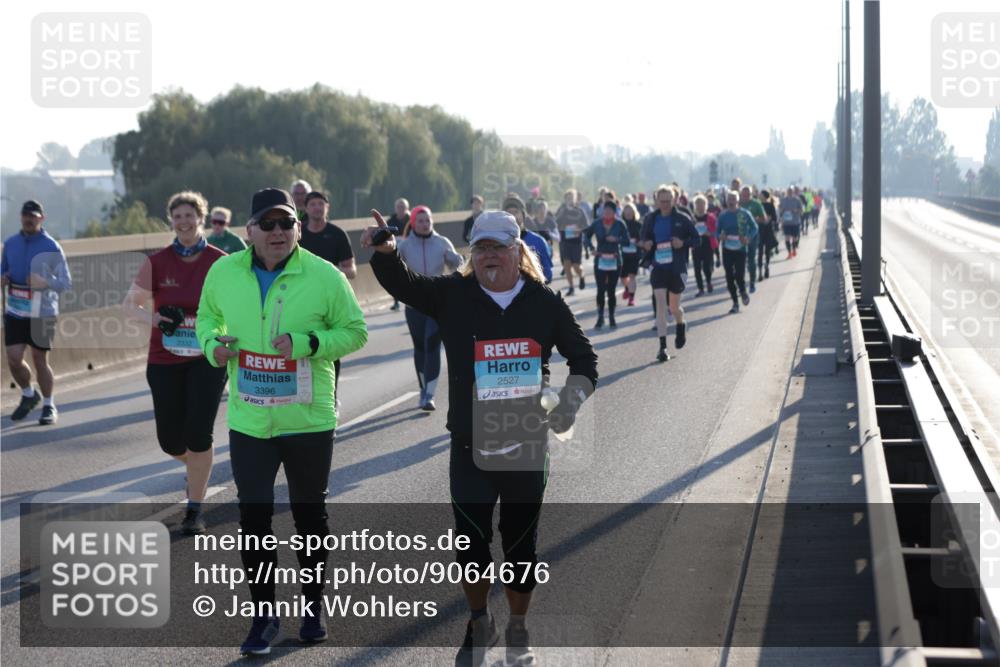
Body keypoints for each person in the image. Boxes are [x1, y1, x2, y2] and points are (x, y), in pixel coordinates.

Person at [364, 208, 597, 667]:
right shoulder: (455, 295)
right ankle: (478, 620)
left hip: (526, 447)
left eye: (498, 247)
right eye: (481, 248)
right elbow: (405, 284)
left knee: (520, 547)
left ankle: (517, 627)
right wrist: (387, 252)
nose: (489, 256)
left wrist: (567, 404)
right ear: (473, 254)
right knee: (470, 545)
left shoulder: (544, 302)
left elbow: (585, 362)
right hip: (470, 446)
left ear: (517, 251)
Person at [196, 187, 368, 654]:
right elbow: (206, 318)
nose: (277, 232)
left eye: (285, 224)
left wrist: (309, 343)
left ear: (297, 228)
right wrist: (214, 347)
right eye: (267, 224)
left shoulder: (324, 275)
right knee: (253, 519)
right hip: (250, 421)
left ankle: (312, 608)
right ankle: (264, 617)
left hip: (307, 420)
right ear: (248, 230)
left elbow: (355, 331)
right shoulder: (223, 272)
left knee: (310, 518)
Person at [123, 191, 228, 535]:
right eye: (177, 216)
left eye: (190, 215)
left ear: (201, 218)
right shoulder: (158, 261)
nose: (184, 221)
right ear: (172, 221)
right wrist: (156, 320)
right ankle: (196, 467)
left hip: (206, 358)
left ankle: (194, 508)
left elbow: (236, 305)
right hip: (164, 358)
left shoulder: (219, 261)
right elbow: (130, 305)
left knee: (199, 434)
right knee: (171, 440)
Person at [2, 199, 72, 424]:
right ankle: (29, 394)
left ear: (41, 218)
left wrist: (45, 281)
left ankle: (49, 405)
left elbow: (65, 282)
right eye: (26, 215)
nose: (29, 219)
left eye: (33, 216)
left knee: (40, 359)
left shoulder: (51, 246)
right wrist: (2, 278)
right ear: (21, 217)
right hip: (15, 309)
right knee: (13, 358)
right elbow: (3, 271)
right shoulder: (10, 243)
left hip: (42, 311)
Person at [397, 205, 464, 410]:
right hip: (414, 303)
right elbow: (393, 268)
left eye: (428, 221)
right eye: (420, 221)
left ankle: (429, 395)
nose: (425, 224)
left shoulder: (442, 242)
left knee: (432, 344)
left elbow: (459, 264)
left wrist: (454, 259)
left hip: (437, 302)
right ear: (413, 223)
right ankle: (423, 389)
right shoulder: (405, 245)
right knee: (419, 347)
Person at [299, 190, 357, 418]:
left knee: (330, 348)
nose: (317, 208)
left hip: (330, 301)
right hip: (300, 299)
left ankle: (331, 396)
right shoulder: (297, 232)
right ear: (306, 208)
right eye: (312, 204)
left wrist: (331, 273)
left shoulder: (337, 234)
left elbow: (351, 270)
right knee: (302, 346)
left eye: (320, 204)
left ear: (327, 207)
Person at [640, 185, 698, 362]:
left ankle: (681, 323)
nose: (664, 204)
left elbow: (696, 239)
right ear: (656, 201)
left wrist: (682, 243)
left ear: (674, 200)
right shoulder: (650, 219)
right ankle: (662, 347)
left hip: (676, 267)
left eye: (668, 201)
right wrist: (647, 243)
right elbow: (643, 238)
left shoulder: (682, 218)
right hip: (658, 266)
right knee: (660, 304)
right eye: (661, 201)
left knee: (674, 307)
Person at [584, 200, 629, 329]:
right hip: (600, 260)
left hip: (615, 260)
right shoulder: (597, 223)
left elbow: (626, 241)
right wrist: (592, 248)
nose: (607, 213)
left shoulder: (620, 224)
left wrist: (617, 239)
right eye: (605, 210)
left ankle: (612, 317)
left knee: (611, 290)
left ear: (614, 212)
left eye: (610, 211)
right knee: (600, 290)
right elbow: (586, 236)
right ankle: (600, 317)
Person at [717, 190, 757, 314]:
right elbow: (717, 231)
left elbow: (755, 227)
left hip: (740, 249)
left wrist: (748, 238)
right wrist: (720, 236)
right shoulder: (723, 215)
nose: (731, 201)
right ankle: (735, 303)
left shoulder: (744, 213)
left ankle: (743, 291)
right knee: (729, 277)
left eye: (733, 199)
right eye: (729, 199)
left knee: (739, 275)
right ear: (726, 201)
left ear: (738, 200)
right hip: (727, 249)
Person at [503, 193, 553, 284]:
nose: (513, 216)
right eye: (509, 213)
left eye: (516, 212)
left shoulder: (538, 241)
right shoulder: (496, 242)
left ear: (523, 215)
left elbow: (548, 275)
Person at [555, 189, 589, 295]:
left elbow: (586, 225)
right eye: (567, 198)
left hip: (576, 241)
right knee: (566, 265)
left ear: (575, 199)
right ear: (565, 199)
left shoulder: (580, 211)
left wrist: (579, 229)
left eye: (571, 197)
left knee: (576, 266)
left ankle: (581, 276)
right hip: (565, 241)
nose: (569, 200)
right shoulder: (562, 210)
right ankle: (571, 287)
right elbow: (556, 222)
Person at [739, 186, 765, 293]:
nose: (745, 196)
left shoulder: (756, 204)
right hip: (739, 236)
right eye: (743, 194)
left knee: (751, 259)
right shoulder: (738, 203)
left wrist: (754, 219)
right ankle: (741, 284)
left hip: (752, 236)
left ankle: (752, 283)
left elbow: (764, 218)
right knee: (740, 261)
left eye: (747, 194)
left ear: (751, 194)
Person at [691, 194, 718, 296]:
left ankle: (709, 281)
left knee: (707, 266)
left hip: (707, 244)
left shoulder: (710, 217)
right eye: (697, 204)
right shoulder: (692, 219)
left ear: (705, 205)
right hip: (696, 245)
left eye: (701, 204)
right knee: (697, 267)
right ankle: (700, 289)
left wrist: (709, 233)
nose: (699, 206)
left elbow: (716, 231)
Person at [386, 198, 411, 310]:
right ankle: (396, 301)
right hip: (395, 253)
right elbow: (385, 235)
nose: (400, 209)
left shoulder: (412, 221)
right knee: (394, 277)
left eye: (403, 207)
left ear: (407, 208)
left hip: (410, 253)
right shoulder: (390, 221)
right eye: (398, 207)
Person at [619, 202, 643, 306]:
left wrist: (638, 242)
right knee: (623, 276)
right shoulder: (619, 224)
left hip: (634, 254)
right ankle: (627, 289)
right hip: (622, 254)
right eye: (626, 211)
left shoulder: (638, 225)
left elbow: (643, 238)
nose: (628, 213)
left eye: (630, 212)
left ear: (634, 213)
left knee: (632, 276)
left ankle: (631, 298)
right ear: (623, 213)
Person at [757, 190, 780, 278]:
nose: (759, 195)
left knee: (767, 250)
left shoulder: (770, 205)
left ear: (764, 196)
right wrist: (760, 219)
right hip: (759, 230)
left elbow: (774, 217)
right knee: (759, 251)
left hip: (768, 230)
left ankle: (766, 266)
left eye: (761, 194)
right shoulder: (757, 205)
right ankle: (759, 271)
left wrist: (767, 219)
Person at [780, 186, 805, 257]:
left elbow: (802, 210)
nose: (789, 193)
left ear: (793, 192)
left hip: (795, 222)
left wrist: (796, 210)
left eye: (791, 191)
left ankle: (794, 249)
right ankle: (789, 253)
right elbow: (780, 209)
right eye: (788, 191)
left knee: (794, 238)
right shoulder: (783, 200)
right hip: (786, 222)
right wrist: (781, 210)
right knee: (787, 237)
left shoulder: (797, 200)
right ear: (786, 192)